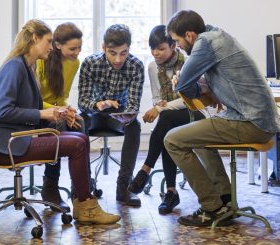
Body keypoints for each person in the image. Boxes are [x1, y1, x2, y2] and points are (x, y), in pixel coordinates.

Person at [0, 19, 120, 225]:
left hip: (20, 138)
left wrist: (58, 111)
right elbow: (3, 112)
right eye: (48, 41)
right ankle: (84, 204)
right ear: (34, 39)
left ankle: (83, 200)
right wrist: (44, 114)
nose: (51, 46)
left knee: (80, 137)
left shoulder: (25, 67)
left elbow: (34, 105)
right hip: (11, 144)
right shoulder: (14, 67)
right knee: (77, 143)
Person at [164, 10, 280, 227]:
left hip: (249, 122)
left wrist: (180, 80)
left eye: (177, 41)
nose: (177, 46)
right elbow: (203, 85)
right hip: (259, 120)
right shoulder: (217, 35)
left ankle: (212, 208)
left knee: (172, 140)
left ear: (189, 35)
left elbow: (184, 87)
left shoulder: (204, 44)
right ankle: (224, 199)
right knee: (194, 136)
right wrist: (200, 87)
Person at [128, 25, 204, 214]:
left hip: (193, 112)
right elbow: (156, 97)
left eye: (161, 48)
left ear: (173, 45)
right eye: (152, 48)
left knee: (167, 119)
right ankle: (171, 192)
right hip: (169, 116)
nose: (155, 53)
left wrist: (161, 107)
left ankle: (145, 170)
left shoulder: (187, 62)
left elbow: (189, 99)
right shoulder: (153, 66)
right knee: (168, 131)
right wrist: (159, 105)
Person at [78, 24, 144, 206]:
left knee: (135, 126)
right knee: (79, 122)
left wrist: (128, 114)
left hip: (119, 114)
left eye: (123, 53)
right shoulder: (90, 63)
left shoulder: (136, 66)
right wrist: (98, 104)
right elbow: (82, 102)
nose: (118, 59)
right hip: (94, 113)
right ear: (103, 47)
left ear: (129, 49)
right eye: (112, 52)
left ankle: (124, 188)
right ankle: (85, 186)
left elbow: (133, 103)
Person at [36, 22, 85, 212]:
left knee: (80, 122)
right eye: (73, 48)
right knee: (59, 125)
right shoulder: (41, 60)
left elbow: (61, 96)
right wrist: (59, 111)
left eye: (80, 47)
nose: (77, 52)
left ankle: (80, 189)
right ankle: (50, 186)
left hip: (55, 110)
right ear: (57, 45)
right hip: (38, 112)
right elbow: (35, 100)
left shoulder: (75, 62)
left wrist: (67, 109)